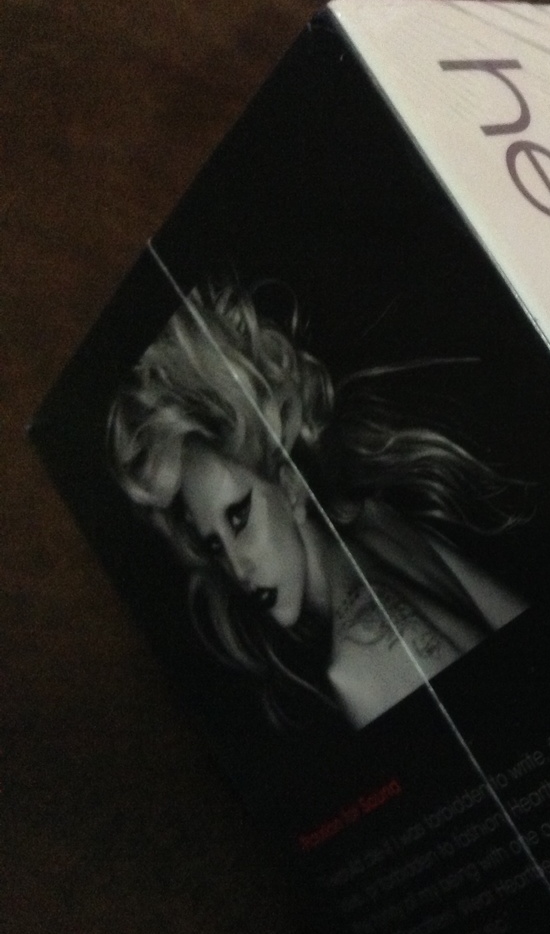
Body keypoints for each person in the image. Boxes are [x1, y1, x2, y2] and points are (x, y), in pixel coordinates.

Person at [107, 285, 526, 730]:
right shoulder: (381, 523)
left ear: (289, 484)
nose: (237, 567)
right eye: (215, 545)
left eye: (239, 517)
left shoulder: (360, 667)